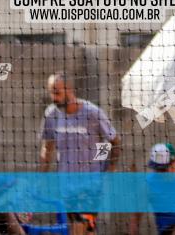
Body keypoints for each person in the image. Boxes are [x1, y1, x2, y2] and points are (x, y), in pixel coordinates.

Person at [39, 73, 121, 235]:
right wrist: (41, 178)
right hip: (66, 185)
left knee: (79, 225)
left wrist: (110, 170)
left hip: (90, 184)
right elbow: (47, 148)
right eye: (51, 92)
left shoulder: (92, 113)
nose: (53, 97)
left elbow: (115, 141)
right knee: (87, 230)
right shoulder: (51, 114)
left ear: (69, 90)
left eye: (57, 92)